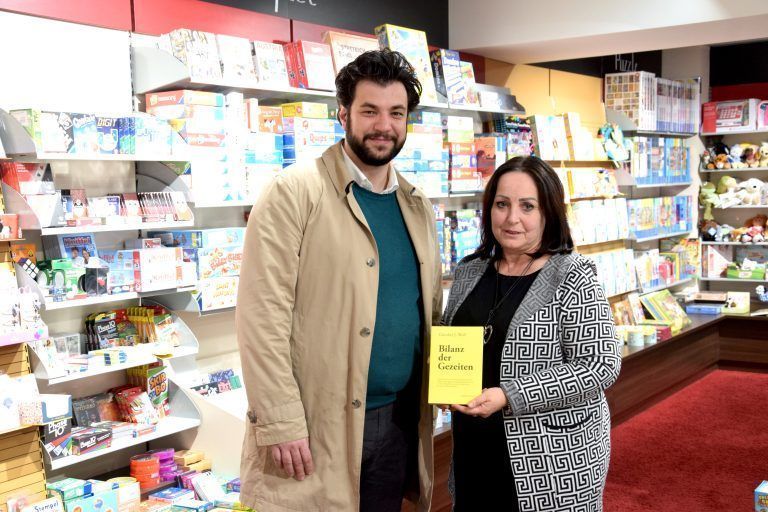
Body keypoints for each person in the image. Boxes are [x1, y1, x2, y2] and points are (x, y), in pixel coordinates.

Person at [236, 49, 442, 512]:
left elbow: (428, 310)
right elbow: (261, 316)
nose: (383, 125)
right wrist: (280, 420)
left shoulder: (416, 205)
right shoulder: (294, 192)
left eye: (396, 113)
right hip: (318, 427)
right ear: (343, 114)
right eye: (370, 111)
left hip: (398, 421)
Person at [442, 156, 622, 511]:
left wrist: (509, 395)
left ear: (548, 213)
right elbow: (452, 341)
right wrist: (442, 382)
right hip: (475, 447)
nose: (512, 218)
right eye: (502, 204)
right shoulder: (469, 271)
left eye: (527, 206)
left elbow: (601, 365)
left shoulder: (572, 276)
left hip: (550, 457)